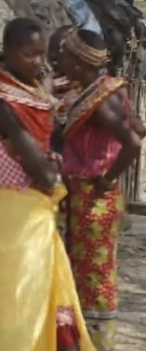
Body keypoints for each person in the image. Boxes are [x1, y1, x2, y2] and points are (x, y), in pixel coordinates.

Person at [0, 18, 95, 351]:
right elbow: (42, 174)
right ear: (8, 53)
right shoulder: (6, 102)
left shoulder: (31, 96)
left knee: (40, 297)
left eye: (41, 54)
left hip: (31, 212)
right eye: (29, 55)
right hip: (20, 216)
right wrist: (54, 170)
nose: (38, 62)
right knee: (22, 300)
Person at [59, 28, 145, 351]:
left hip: (94, 195)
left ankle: (97, 343)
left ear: (80, 63)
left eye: (65, 54)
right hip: (87, 195)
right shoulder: (107, 91)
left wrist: (108, 176)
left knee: (94, 273)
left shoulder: (99, 100)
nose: (60, 59)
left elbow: (133, 141)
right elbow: (139, 126)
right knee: (84, 270)